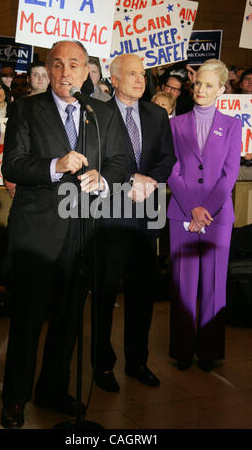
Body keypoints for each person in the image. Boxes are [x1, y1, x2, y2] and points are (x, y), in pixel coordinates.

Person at [0, 40, 126, 429]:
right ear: (48, 69)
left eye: (74, 64)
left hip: (83, 234)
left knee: (70, 320)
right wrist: (55, 165)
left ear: (87, 69)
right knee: (28, 320)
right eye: (57, 65)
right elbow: (15, 164)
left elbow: (122, 160)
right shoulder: (26, 109)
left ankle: (52, 388)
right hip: (37, 234)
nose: (65, 72)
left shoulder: (100, 113)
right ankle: (15, 399)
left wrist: (104, 178)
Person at [92, 53, 176, 392]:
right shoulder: (98, 114)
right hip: (110, 218)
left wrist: (150, 180)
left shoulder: (156, 115)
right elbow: (96, 160)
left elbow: (167, 157)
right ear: (114, 79)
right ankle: (102, 364)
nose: (140, 80)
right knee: (105, 293)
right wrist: (131, 179)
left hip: (146, 217)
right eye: (132, 74)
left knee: (142, 295)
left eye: (142, 74)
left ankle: (137, 361)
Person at [167, 59, 242, 372]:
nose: (201, 90)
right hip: (182, 214)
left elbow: (230, 174)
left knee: (214, 284)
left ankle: (209, 351)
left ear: (221, 89)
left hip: (218, 216)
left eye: (209, 85)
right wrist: (191, 208)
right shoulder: (173, 124)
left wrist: (206, 210)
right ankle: (183, 349)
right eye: (198, 83)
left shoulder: (233, 125)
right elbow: (170, 169)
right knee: (183, 285)